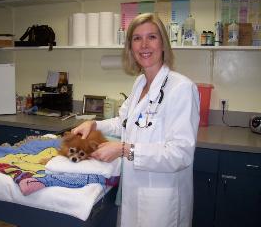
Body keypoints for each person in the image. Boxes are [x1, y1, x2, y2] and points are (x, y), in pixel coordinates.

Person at [72, 13, 200, 227]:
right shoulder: (140, 83)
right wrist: (94, 124)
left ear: (163, 44)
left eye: (152, 37)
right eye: (137, 38)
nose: (144, 45)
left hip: (162, 202)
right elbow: (124, 122)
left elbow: (180, 154)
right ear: (130, 47)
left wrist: (124, 149)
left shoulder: (182, 89)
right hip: (134, 194)